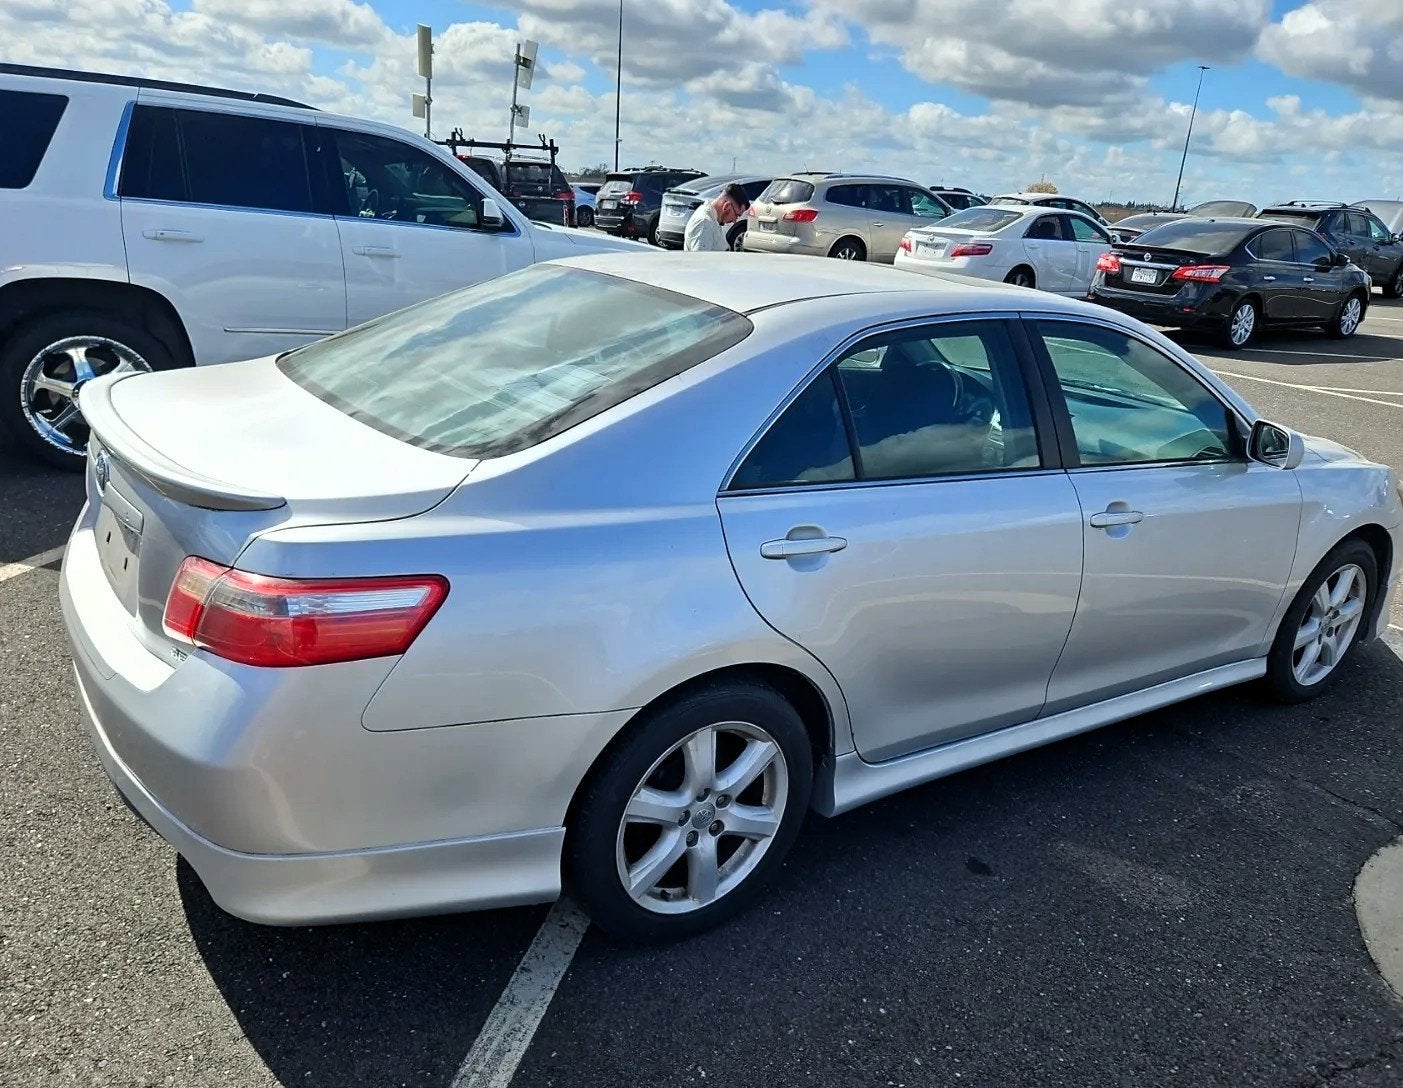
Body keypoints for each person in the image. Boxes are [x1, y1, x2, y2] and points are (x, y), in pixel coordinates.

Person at [683, 183, 750, 252]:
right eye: (737, 215)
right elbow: (700, 258)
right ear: (726, 206)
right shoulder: (704, 223)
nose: (734, 221)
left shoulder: (712, 219)